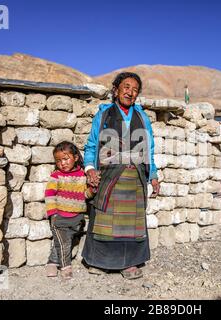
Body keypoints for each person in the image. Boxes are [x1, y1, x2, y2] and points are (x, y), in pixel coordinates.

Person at [82, 72, 160, 280]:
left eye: (135, 90)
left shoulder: (142, 117)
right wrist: (89, 169)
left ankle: (129, 264)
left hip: (134, 178)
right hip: (108, 176)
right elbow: (91, 145)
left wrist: (153, 175)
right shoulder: (104, 114)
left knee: (130, 223)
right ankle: (99, 262)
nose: (130, 92)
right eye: (126, 87)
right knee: (103, 219)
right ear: (116, 90)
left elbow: (149, 148)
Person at [44, 141, 96, 280]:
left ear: (76, 158)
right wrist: (52, 214)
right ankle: (65, 267)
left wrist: (91, 191)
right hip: (60, 216)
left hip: (76, 218)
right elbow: (49, 195)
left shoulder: (82, 175)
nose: (62, 163)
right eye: (58, 160)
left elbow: (84, 195)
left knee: (61, 243)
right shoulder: (56, 176)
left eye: (66, 159)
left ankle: (52, 262)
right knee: (63, 243)